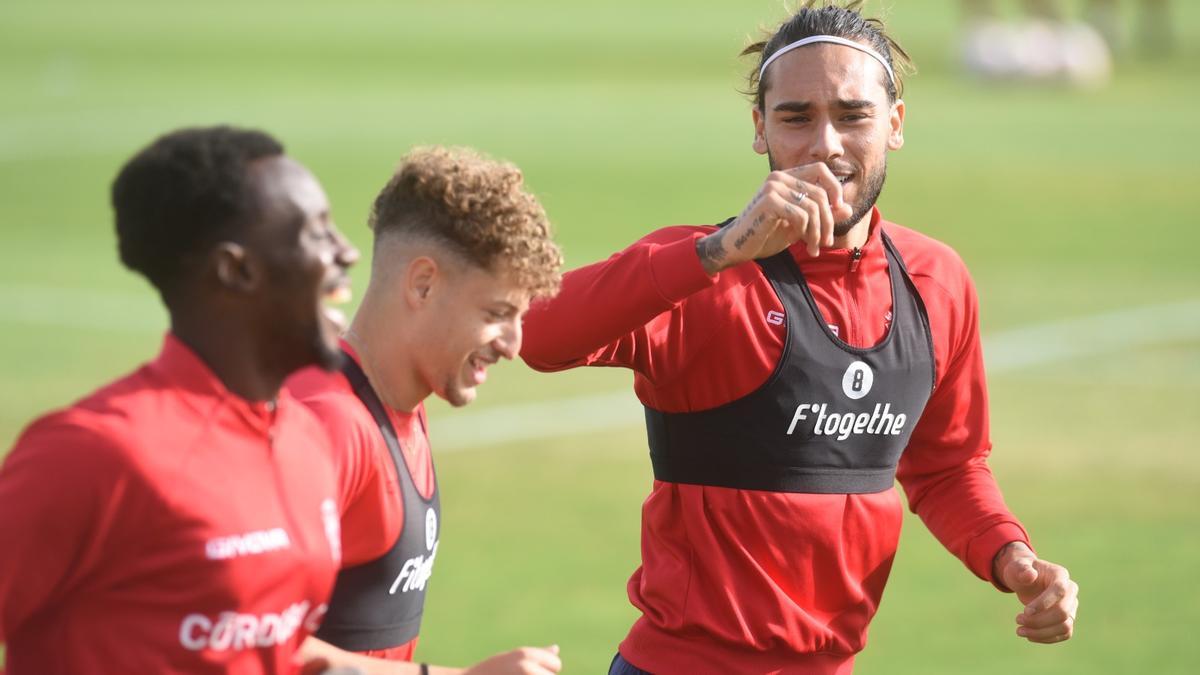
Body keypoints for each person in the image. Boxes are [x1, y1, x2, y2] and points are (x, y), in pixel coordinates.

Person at [519, 3, 1080, 673]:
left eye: (852, 115)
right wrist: (714, 252)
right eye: (795, 117)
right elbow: (533, 331)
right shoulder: (700, 275)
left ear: (895, 123)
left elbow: (947, 466)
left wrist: (1009, 553)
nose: (825, 145)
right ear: (759, 129)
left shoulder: (937, 281)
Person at [0, 126, 360, 674]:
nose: (348, 251)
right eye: (317, 233)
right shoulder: (96, 452)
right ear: (235, 270)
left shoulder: (303, 438)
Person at [288, 147, 565, 675]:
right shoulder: (328, 424)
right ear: (422, 283)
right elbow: (251, 643)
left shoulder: (402, 407)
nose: (513, 343)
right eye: (497, 312)